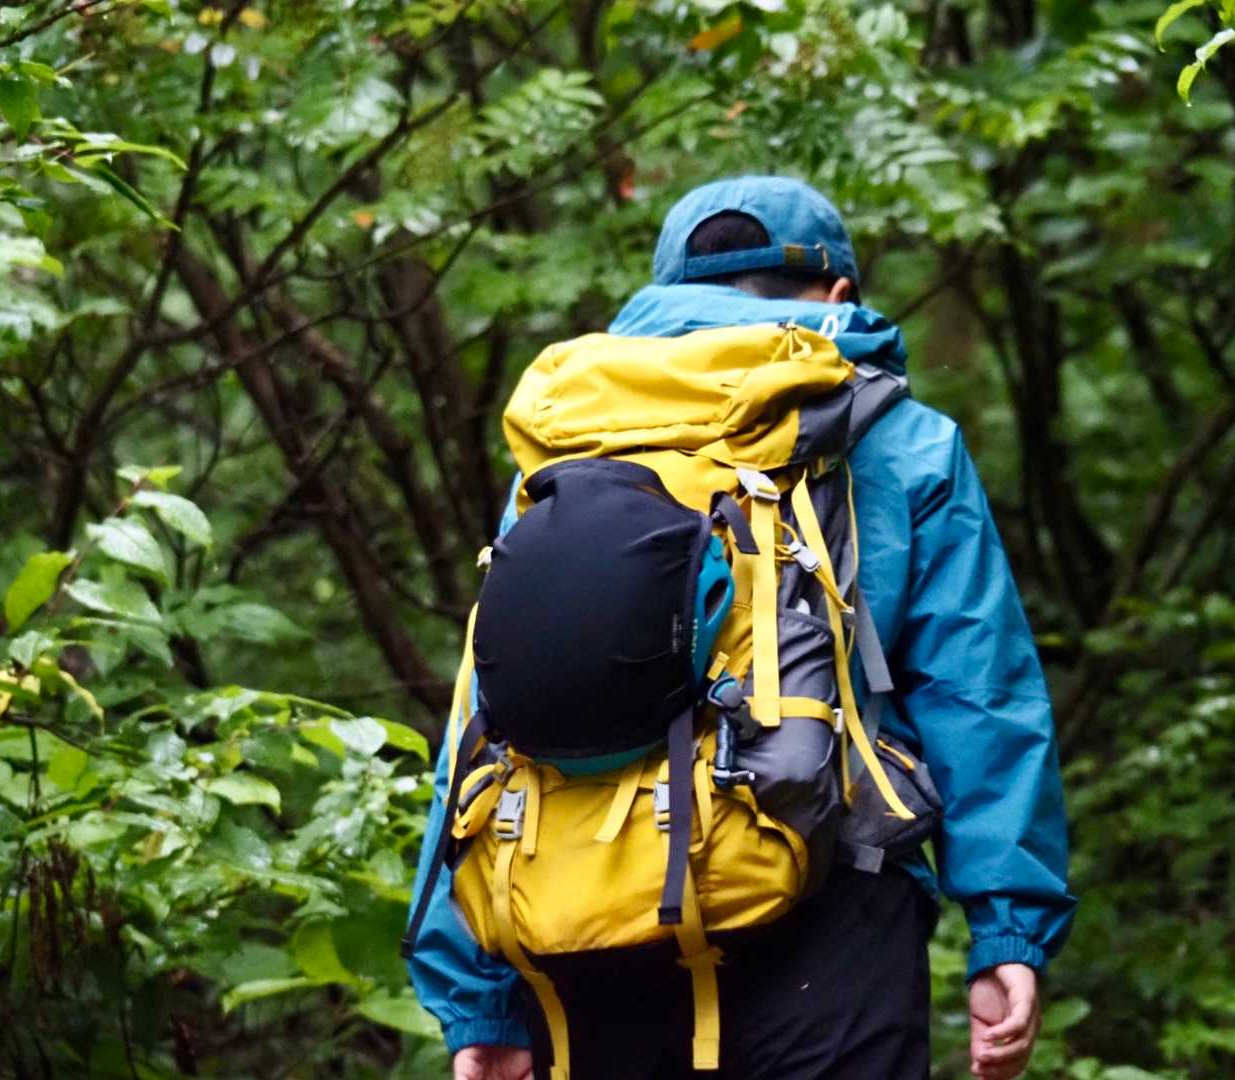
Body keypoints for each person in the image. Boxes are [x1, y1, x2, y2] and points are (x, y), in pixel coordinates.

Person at [406, 176, 1077, 1080]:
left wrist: (479, 999)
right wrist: (1007, 930)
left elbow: (482, 716)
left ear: (660, 296)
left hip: (576, 918)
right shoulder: (894, 434)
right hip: (828, 910)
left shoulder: (566, 446)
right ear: (838, 294)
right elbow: (977, 692)